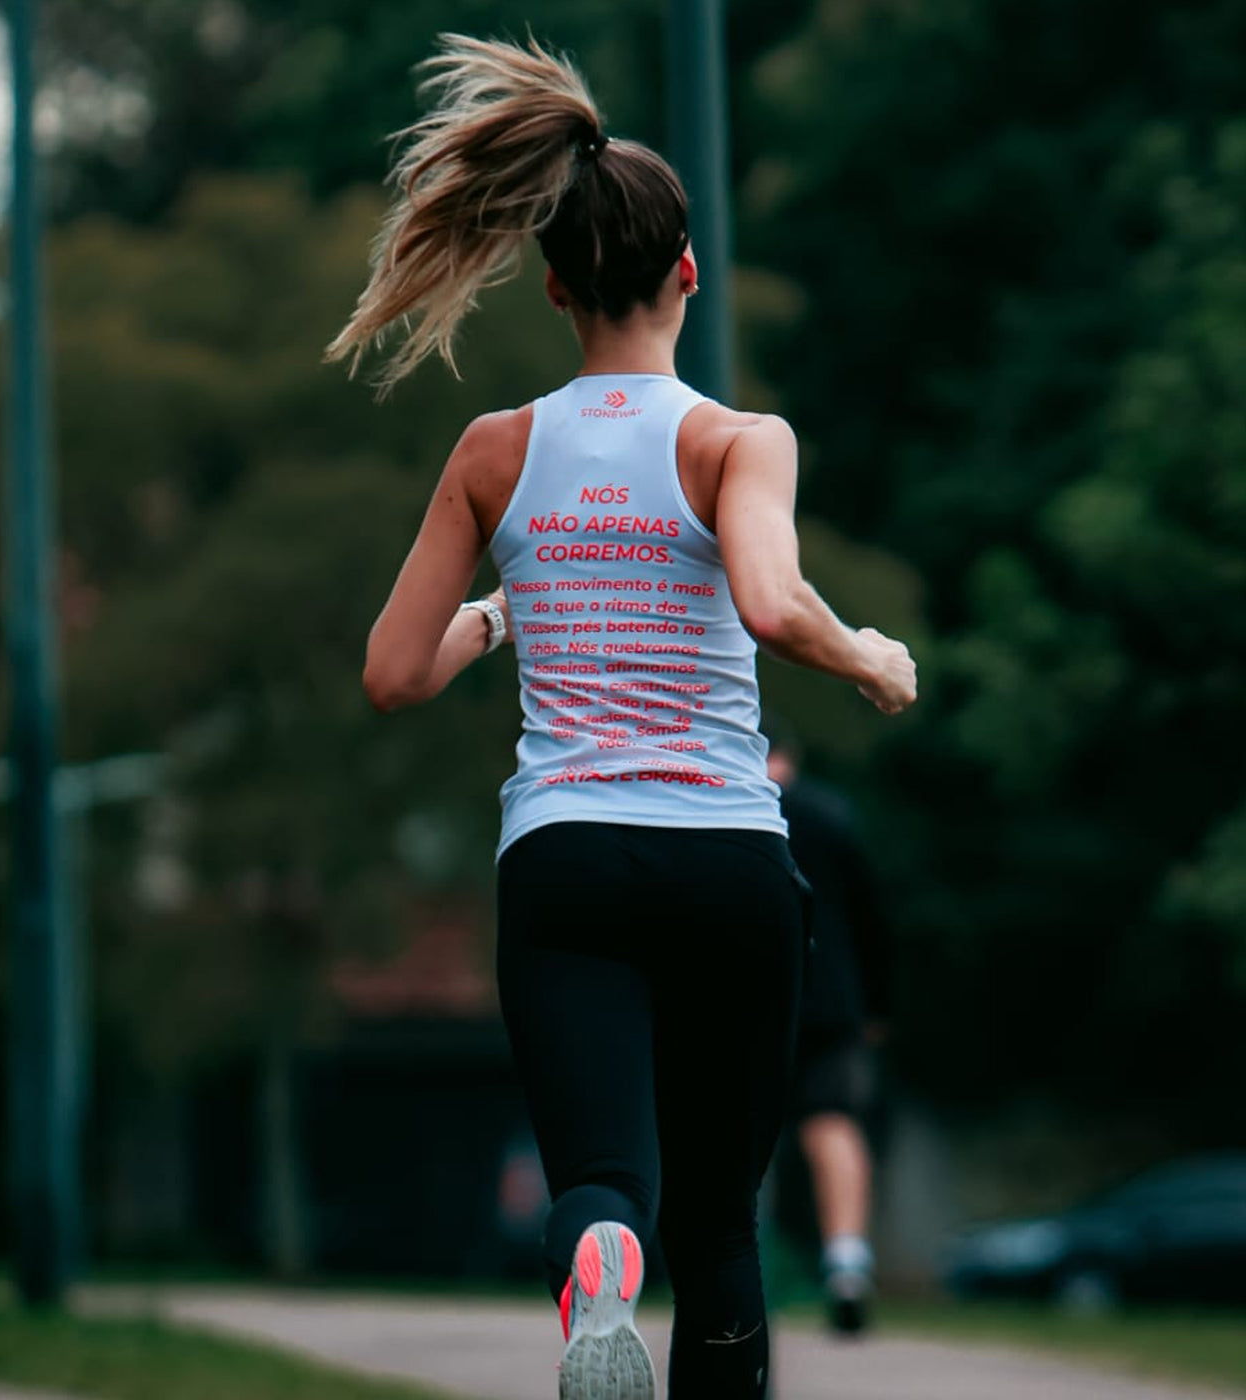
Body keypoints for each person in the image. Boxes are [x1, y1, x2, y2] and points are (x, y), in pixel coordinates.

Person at [328, 34, 917, 1400]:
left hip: (568, 857)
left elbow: (392, 672)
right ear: (687, 274)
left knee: (605, 1174)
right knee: (722, 1222)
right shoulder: (734, 441)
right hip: (723, 854)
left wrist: (505, 616)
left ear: (551, 286)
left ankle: (599, 1260)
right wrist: (873, 655)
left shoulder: (496, 451)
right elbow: (771, 604)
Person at [765, 729, 891, 1335]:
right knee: (832, 1125)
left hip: (746, 999)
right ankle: (846, 1261)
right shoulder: (830, 815)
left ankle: (729, 1264)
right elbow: (872, 916)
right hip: (830, 1002)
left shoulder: (726, 807)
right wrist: (876, 1007)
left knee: (734, 1130)